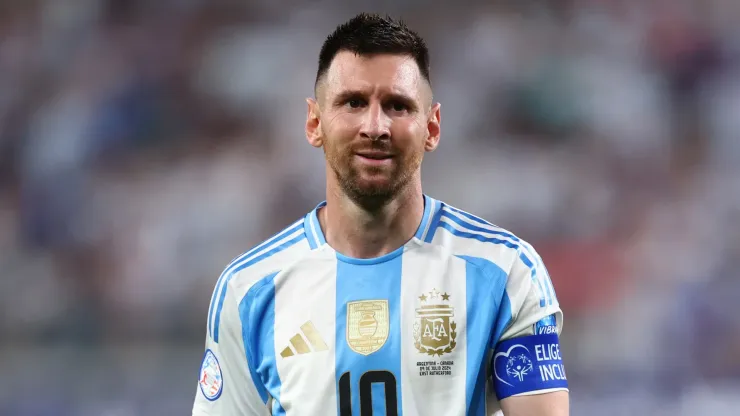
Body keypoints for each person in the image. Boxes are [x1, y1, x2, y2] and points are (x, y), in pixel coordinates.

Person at [193, 13, 569, 416]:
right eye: (353, 102)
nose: (375, 126)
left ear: (433, 127)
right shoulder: (249, 289)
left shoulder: (506, 272)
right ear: (315, 122)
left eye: (398, 105)